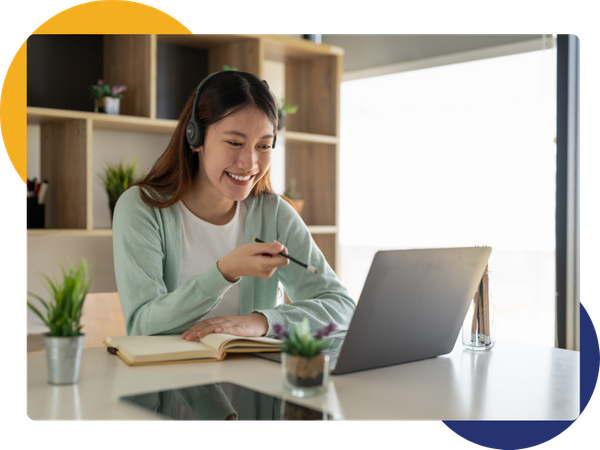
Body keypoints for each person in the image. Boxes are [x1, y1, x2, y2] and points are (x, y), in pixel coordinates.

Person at [112, 70, 355, 341]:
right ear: (195, 138)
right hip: (169, 379)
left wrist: (263, 322)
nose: (250, 163)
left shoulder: (274, 214)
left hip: (251, 379)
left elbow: (342, 307)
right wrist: (224, 272)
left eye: (263, 146)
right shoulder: (141, 209)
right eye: (235, 143)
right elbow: (142, 325)